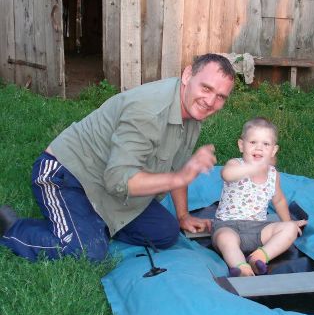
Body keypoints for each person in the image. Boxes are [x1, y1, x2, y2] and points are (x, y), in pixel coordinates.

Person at [0, 54, 236, 262]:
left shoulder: (192, 113)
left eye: (220, 96)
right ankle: (11, 228)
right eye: (206, 88)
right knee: (87, 251)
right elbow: (119, 180)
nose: (210, 102)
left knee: (165, 232)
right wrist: (179, 178)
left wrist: (183, 216)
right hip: (68, 176)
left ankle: (92, 223)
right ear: (187, 75)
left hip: (110, 187)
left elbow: (177, 165)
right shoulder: (148, 110)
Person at [211, 117, 307, 277]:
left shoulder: (273, 174)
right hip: (227, 225)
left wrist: (288, 221)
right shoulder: (236, 165)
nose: (259, 148)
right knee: (226, 240)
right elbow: (226, 174)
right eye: (253, 142)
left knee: (290, 229)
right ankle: (241, 267)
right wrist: (253, 168)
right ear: (241, 145)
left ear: (274, 150)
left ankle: (259, 257)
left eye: (266, 144)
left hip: (259, 228)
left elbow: (279, 200)